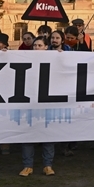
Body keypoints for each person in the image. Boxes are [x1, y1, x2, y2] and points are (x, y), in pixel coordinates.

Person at [18, 35, 56, 176]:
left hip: (47, 103)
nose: (36, 48)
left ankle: (48, 165)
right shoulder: (25, 59)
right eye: (35, 45)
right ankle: (28, 165)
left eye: (40, 45)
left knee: (48, 136)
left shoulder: (55, 60)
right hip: (29, 103)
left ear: (46, 47)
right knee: (28, 135)